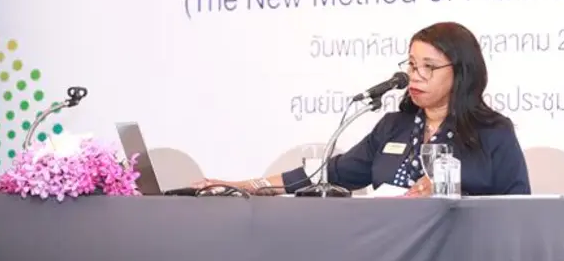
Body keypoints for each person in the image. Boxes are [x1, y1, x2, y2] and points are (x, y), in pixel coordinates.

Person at [194, 22, 531, 197]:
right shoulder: (394, 126)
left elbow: (520, 208)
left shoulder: (493, 132)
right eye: (412, 64)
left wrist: (456, 195)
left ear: (461, 72)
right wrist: (245, 186)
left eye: (429, 67)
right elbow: (327, 174)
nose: (416, 75)